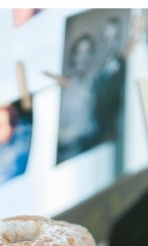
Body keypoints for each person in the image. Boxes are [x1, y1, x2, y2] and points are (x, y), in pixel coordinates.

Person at [57, 33, 100, 162]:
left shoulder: (93, 83)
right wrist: (79, 132)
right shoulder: (62, 89)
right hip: (69, 158)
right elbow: (56, 136)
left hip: (92, 154)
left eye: (88, 52)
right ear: (73, 55)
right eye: (79, 52)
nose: (83, 58)